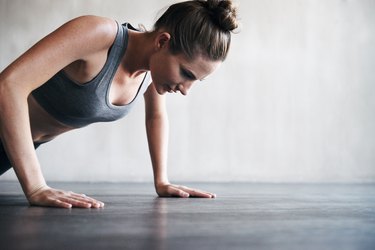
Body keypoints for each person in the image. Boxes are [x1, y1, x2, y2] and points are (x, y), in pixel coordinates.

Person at [0, 0, 239, 208]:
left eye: (196, 80)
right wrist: (36, 187)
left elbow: (156, 116)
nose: (186, 90)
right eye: (186, 73)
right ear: (162, 42)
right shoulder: (98, 34)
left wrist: (161, 181)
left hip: (12, 151)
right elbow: (9, 85)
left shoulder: (149, 72)